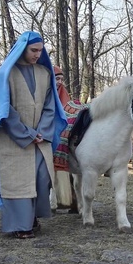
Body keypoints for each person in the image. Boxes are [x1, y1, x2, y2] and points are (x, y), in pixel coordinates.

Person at [0, 31, 67, 239]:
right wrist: (26, 133)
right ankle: (21, 225)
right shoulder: (5, 74)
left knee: (41, 177)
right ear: (22, 48)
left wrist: (42, 132)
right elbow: (4, 109)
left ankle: (33, 217)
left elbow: (50, 106)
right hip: (13, 139)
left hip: (40, 138)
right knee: (18, 181)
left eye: (40, 51)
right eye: (33, 50)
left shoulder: (45, 74)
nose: (38, 54)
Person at [50, 65, 79, 213]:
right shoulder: (46, 94)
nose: (60, 82)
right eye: (57, 78)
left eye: (61, 79)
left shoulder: (63, 93)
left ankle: (71, 201)